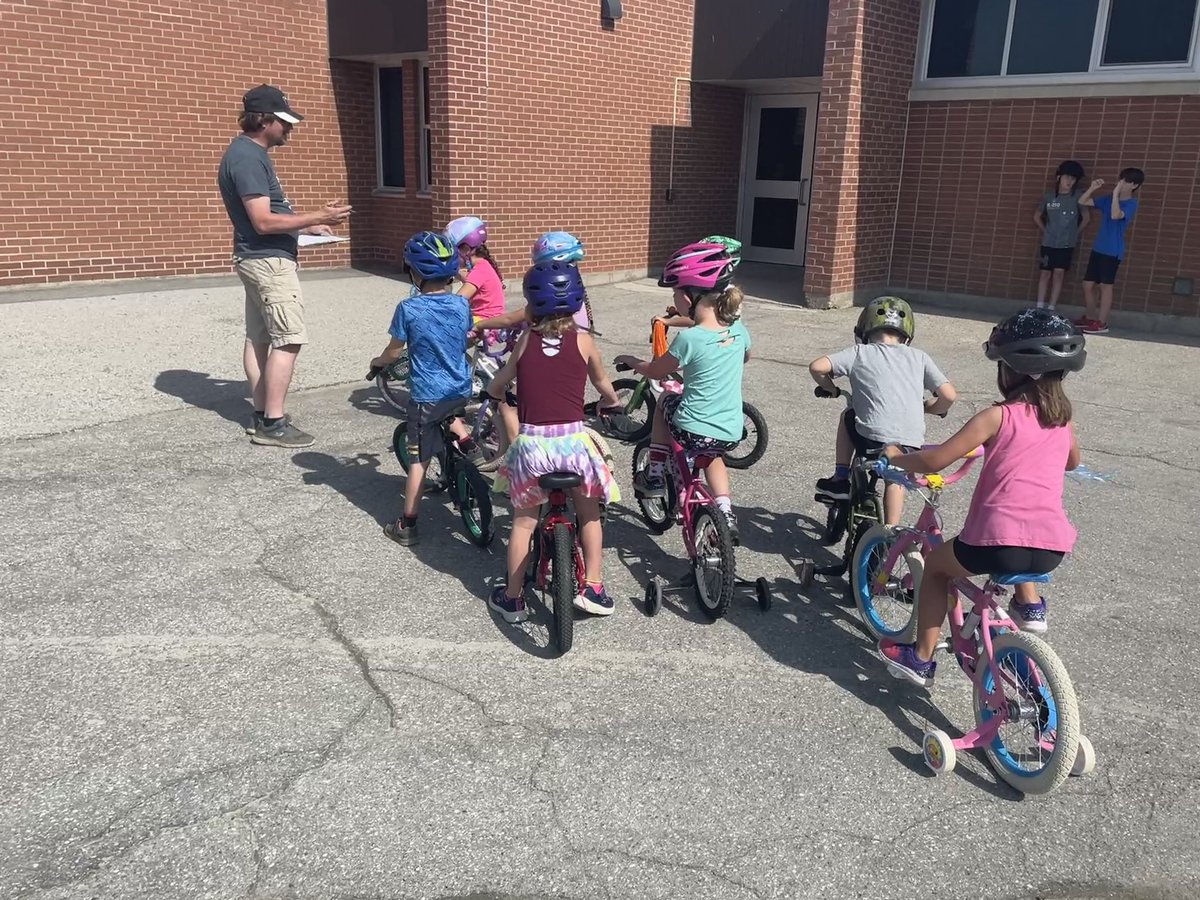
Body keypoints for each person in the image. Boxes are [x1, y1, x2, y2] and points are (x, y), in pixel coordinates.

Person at [879, 309, 1086, 685]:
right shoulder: (1063, 418)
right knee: (1025, 532)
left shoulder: (997, 417)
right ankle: (1030, 608)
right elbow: (1072, 462)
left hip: (994, 542)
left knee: (938, 570)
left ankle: (920, 659)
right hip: (1052, 548)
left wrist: (897, 457)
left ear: (1011, 371)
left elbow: (936, 459)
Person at [483, 262, 623, 624]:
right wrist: (612, 402)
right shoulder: (584, 339)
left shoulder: (526, 340)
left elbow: (501, 381)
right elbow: (603, 382)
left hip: (532, 447)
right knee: (590, 514)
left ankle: (513, 599)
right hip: (574, 445)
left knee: (523, 523)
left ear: (532, 303)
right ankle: (593, 586)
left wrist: (497, 392)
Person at [217, 83, 352, 448]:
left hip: (256, 257)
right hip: (268, 262)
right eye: (284, 121)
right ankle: (273, 423)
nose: (289, 128)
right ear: (263, 121)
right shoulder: (247, 158)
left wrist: (309, 225)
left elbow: (266, 215)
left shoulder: (246, 154)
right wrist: (317, 213)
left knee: (260, 338)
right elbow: (262, 221)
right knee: (289, 338)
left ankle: (263, 414)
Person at [616, 243, 748, 539]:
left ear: (690, 297)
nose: (674, 297)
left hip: (692, 428)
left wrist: (629, 360)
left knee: (665, 398)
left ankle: (654, 474)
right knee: (712, 455)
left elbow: (655, 371)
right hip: (730, 430)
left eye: (675, 291)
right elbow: (745, 356)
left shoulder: (690, 339)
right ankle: (725, 509)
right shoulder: (740, 332)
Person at [369, 231, 483, 547]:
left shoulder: (409, 309)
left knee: (419, 462)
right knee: (449, 412)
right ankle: (465, 439)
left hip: (427, 397)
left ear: (415, 273)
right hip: (460, 388)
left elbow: (394, 352)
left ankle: (407, 524)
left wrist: (379, 362)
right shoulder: (461, 304)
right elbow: (462, 338)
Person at [809, 297, 957, 526]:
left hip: (871, 439)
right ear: (907, 334)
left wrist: (831, 389)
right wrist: (931, 408)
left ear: (865, 328)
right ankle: (889, 535)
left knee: (848, 416)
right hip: (909, 445)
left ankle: (840, 478)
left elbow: (817, 367)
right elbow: (949, 396)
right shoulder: (919, 357)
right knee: (895, 476)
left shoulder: (860, 352)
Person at [1076, 167, 1145, 335]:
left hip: (1112, 251)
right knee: (1087, 284)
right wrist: (1092, 188)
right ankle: (1091, 317)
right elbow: (1083, 201)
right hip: (1098, 248)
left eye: (1127, 181)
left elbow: (1116, 215)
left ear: (1134, 185)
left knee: (1105, 286)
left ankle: (1102, 322)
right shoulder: (1106, 199)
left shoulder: (1131, 204)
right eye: (1121, 179)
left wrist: (1115, 195)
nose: (1122, 183)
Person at [1034, 160, 1090, 310]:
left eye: (1073, 178)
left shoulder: (1078, 196)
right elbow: (1037, 215)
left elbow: (1086, 218)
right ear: (1059, 177)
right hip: (1048, 242)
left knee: (1059, 274)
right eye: (1067, 177)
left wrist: (1075, 233)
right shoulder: (1050, 196)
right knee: (1045, 274)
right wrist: (1045, 230)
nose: (1070, 181)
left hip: (1066, 244)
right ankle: (1039, 306)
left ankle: (1051, 307)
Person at [445, 216, 506, 322]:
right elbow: (468, 278)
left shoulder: (478, 272)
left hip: (485, 325)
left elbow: (458, 300)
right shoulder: (483, 266)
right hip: (491, 322)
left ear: (466, 250)